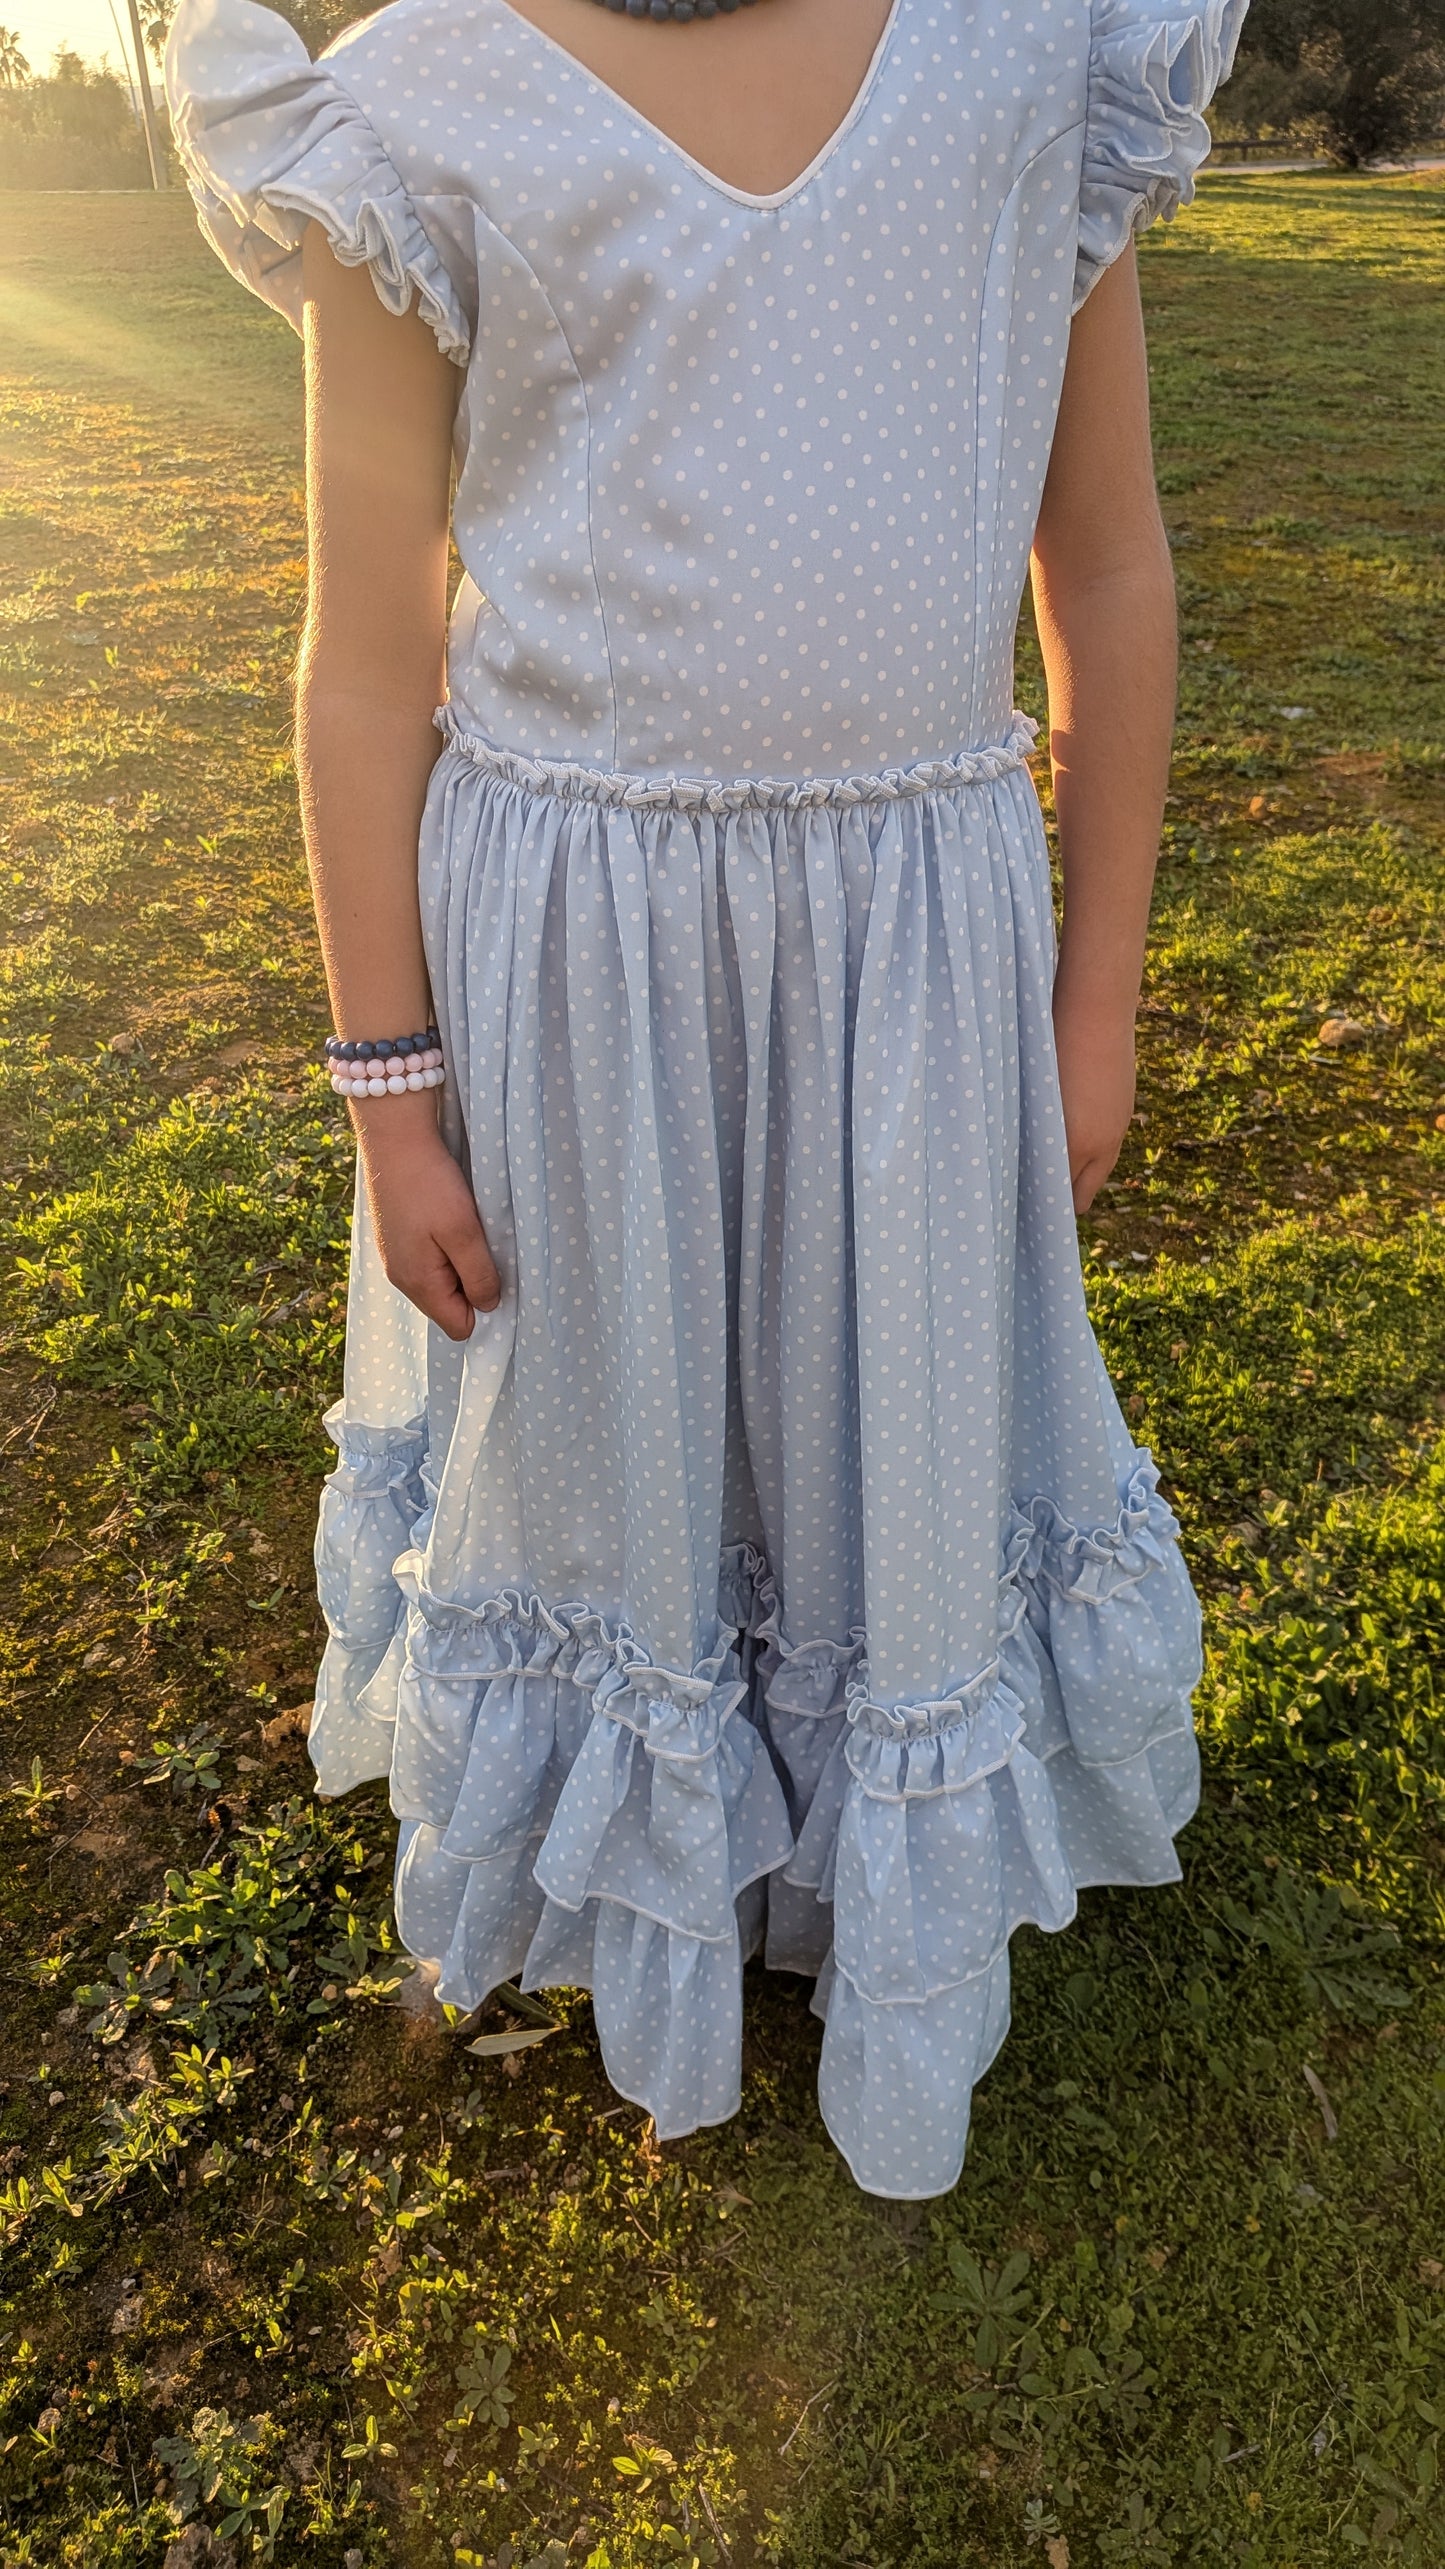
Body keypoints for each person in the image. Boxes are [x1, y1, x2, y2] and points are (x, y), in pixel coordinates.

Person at [164, 0, 1246, 2200]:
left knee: (884, 1394)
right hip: (576, 951)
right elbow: (368, 643)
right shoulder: (418, 100)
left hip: (909, 942)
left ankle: (852, 1839)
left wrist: (1096, 990)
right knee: (623, 1408)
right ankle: (662, 1828)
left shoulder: (1032, 54)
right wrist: (388, 1081)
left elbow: (1107, 561)